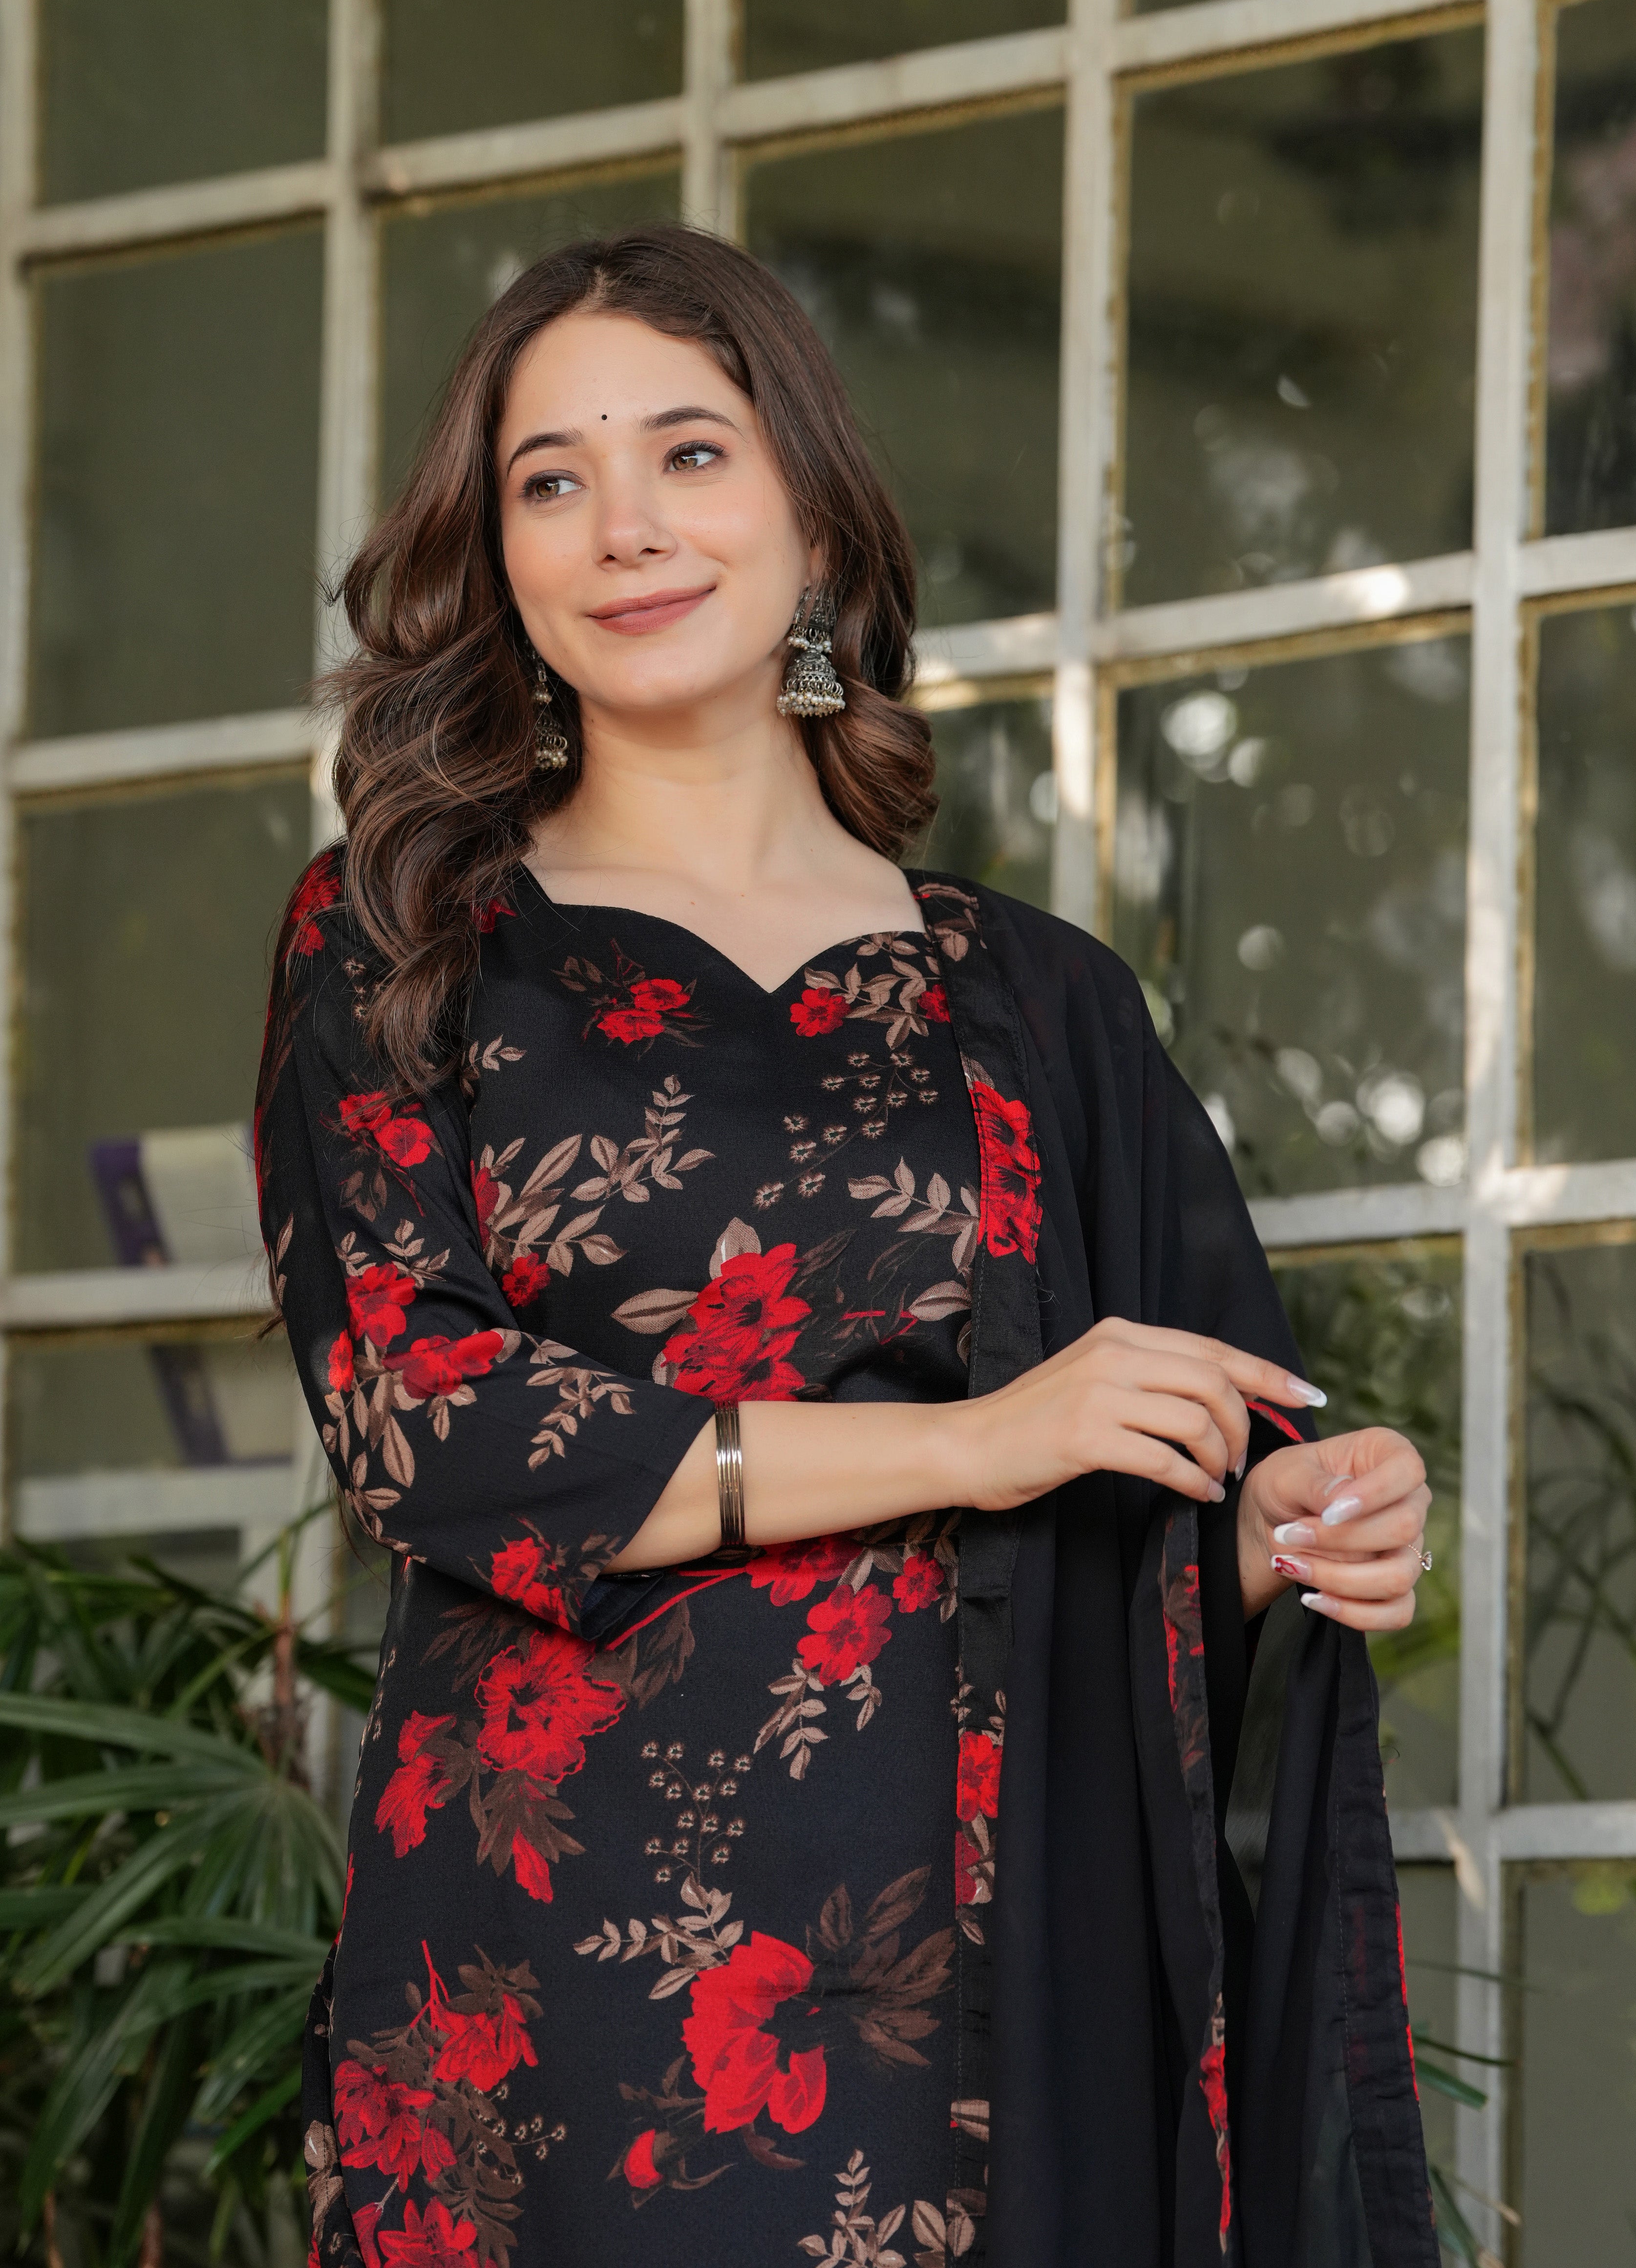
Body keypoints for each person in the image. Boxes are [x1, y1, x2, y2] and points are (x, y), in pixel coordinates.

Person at [257, 224, 1435, 2268]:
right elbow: (423, 1424)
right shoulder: (404, 937)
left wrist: (1303, 1525)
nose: (621, 524)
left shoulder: (1042, 1010)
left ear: (813, 524)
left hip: (994, 1966)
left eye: (689, 455)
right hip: (563, 1990)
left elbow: (1172, 1501)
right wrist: (973, 1442)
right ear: (502, 557)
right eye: (553, 477)